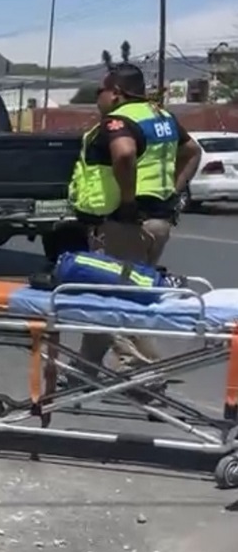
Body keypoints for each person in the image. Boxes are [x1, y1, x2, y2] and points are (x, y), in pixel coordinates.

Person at [71, 62, 202, 373]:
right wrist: (175, 191)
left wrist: (128, 201)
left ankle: (147, 373)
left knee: (120, 300)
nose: (97, 98)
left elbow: (125, 154)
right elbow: (193, 151)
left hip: (124, 224)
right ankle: (82, 370)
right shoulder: (162, 117)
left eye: (99, 91)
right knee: (106, 295)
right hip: (158, 221)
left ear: (115, 93)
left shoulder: (119, 121)